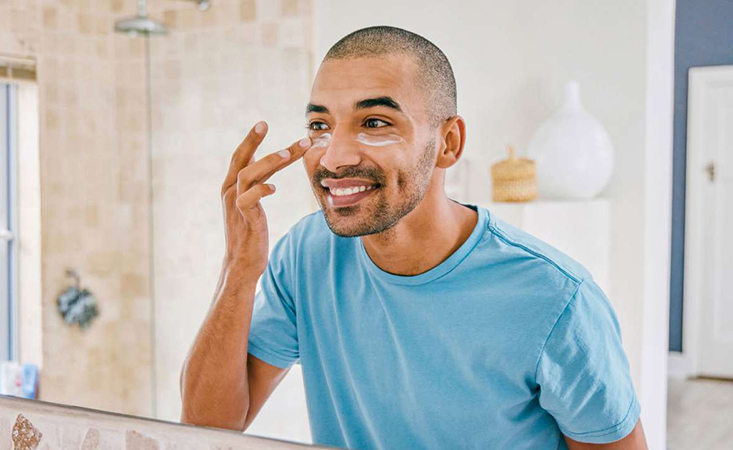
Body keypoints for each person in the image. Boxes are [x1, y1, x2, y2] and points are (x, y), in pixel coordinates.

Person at [180, 26, 648, 450]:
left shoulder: (556, 299)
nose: (334, 157)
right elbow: (207, 427)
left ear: (448, 144)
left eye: (375, 122)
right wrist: (238, 271)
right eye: (320, 126)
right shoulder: (306, 256)